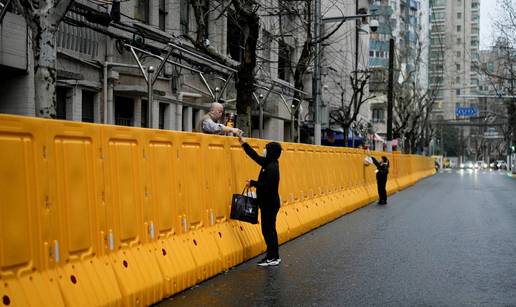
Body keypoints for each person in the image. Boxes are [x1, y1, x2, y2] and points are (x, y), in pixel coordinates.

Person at [238, 134, 282, 266]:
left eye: (266, 148)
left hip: (270, 204)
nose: (264, 150)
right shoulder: (269, 163)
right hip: (268, 203)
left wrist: (253, 183)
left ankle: (272, 257)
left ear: (271, 152)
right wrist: (243, 143)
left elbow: (268, 186)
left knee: (268, 230)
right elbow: (255, 157)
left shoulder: (272, 168)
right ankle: (273, 256)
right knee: (270, 230)